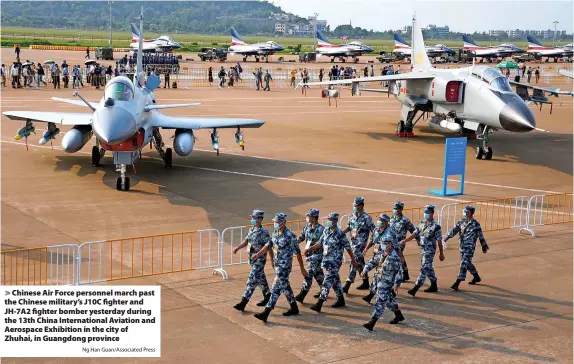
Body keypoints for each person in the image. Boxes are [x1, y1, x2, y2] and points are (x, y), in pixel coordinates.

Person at [253, 213, 307, 323]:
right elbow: (268, 246)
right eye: (275, 222)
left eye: (277, 222)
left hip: (285, 267)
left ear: (283, 222)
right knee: (284, 288)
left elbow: (298, 252)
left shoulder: (290, 236)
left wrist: (302, 268)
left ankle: (266, 312)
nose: (275, 224)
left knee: (275, 289)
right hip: (278, 266)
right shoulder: (275, 233)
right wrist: (258, 254)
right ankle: (294, 307)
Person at [308, 212, 358, 313]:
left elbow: (348, 247)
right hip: (326, 260)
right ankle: (340, 299)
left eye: (331, 220)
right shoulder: (326, 230)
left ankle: (320, 303)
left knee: (327, 281)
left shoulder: (340, 233)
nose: (329, 221)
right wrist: (310, 249)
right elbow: (320, 243)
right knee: (335, 280)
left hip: (335, 261)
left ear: (335, 221)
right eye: (328, 219)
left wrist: (353, 260)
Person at [361, 235, 405, 331]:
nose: (384, 245)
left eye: (386, 243)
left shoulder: (394, 258)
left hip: (386, 284)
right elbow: (372, 262)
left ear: (391, 244)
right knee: (389, 300)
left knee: (380, 302)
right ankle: (399, 315)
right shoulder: (381, 253)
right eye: (383, 243)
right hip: (378, 281)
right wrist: (365, 270)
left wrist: (397, 285)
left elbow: (400, 273)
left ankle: (371, 323)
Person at [232, 210, 273, 311]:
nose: (252, 220)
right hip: (252, 259)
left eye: (254, 218)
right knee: (261, 279)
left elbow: (268, 246)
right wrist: (237, 248)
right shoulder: (252, 229)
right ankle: (268, 296)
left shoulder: (264, 232)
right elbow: (247, 241)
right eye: (252, 218)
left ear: (260, 219)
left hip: (259, 260)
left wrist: (261, 256)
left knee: (252, 280)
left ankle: (243, 302)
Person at [400, 205, 444, 297]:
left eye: (428, 213)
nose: (426, 214)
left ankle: (415, 288)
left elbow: (439, 241)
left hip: (430, 251)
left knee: (424, 268)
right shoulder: (422, 223)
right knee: (428, 268)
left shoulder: (436, 227)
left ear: (432, 213)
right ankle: (434, 285)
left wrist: (441, 254)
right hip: (422, 250)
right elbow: (414, 234)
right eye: (425, 213)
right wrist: (405, 240)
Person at [443, 205, 489, 291]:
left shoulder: (476, 224)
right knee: (467, 263)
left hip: (470, 248)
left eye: (465, 211)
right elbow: (454, 230)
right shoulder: (462, 221)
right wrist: (445, 239)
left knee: (464, 263)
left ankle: (457, 282)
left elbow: (480, 236)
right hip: (462, 246)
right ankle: (476, 276)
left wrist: (484, 246)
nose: (464, 213)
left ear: (470, 213)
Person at [361, 214, 402, 304]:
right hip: (378, 256)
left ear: (386, 222)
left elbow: (396, 246)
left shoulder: (390, 232)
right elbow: (371, 240)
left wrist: (401, 257)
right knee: (377, 275)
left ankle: (389, 295)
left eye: (382, 220)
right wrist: (366, 248)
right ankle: (371, 295)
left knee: (384, 277)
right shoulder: (376, 230)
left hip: (388, 258)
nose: (379, 221)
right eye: (379, 219)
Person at [341, 197, 374, 293]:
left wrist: (369, 244)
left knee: (354, 261)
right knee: (360, 263)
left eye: (356, 205)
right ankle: (365, 282)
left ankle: (347, 284)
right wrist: (340, 233)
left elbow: (374, 231)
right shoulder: (353, 216)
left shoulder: (367, 218)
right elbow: (349, 227)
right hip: (353, 244)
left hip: (361, 245)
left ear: (361, 206)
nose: (354, 207)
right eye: (354, 205)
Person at [294, 208, 325, 303]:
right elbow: (302, 236)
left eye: (309, 216)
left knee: (309, 273)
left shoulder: (321, 229)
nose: (307, 218)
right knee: (318, 274)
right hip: (309, 255)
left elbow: (321, 243)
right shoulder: (307, 227)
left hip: (317, 255)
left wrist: (310, 248)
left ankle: (302, 294)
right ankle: (324, 289)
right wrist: (295, 242)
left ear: (314, 218)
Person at [389, 201, 416, 281]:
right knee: (399, 256)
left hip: (400, 242)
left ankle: (400, 275)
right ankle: (405, 273)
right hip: (392, 241)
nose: (395, 210)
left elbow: (413, 230)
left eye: (396, 209)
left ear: (401, 209)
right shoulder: (391, 218)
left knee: (396, 256)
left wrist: (417, 239)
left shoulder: (405, 220)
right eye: (394, 208)